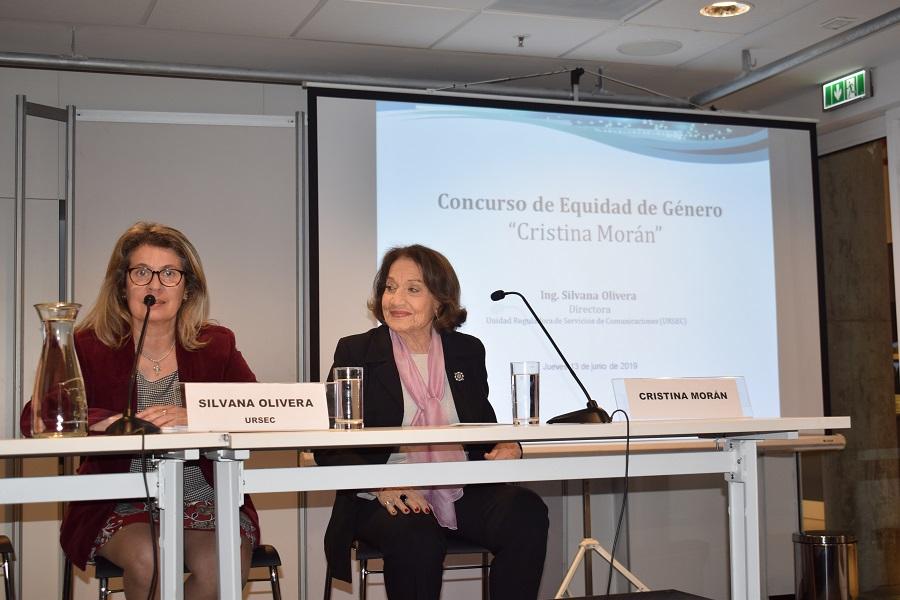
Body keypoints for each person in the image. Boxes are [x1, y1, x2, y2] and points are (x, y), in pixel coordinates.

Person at [20, 222, 259, 600]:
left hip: (204, 497)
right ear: (122, 284)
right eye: (142, 272)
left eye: (169, 274)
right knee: (150, 559)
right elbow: (38, 415)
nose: (155, 286)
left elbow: (256, 409)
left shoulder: (216, 344)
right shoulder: (88, 345)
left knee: (219, 565)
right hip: (118, 500)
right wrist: (106, 421)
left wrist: (198, 413)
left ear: (188, 287)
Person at [316, 245, 549, 600]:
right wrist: (381, 485)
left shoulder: (467, 351)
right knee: (416, 531)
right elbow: (328, 445)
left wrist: (505, 445)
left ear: (440, 300)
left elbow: (481, 428)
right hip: (382, 496)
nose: (395, 298)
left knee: (525, 510)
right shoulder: (356, 352)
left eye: (413, 289)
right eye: (389, 287)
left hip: (459, 488)